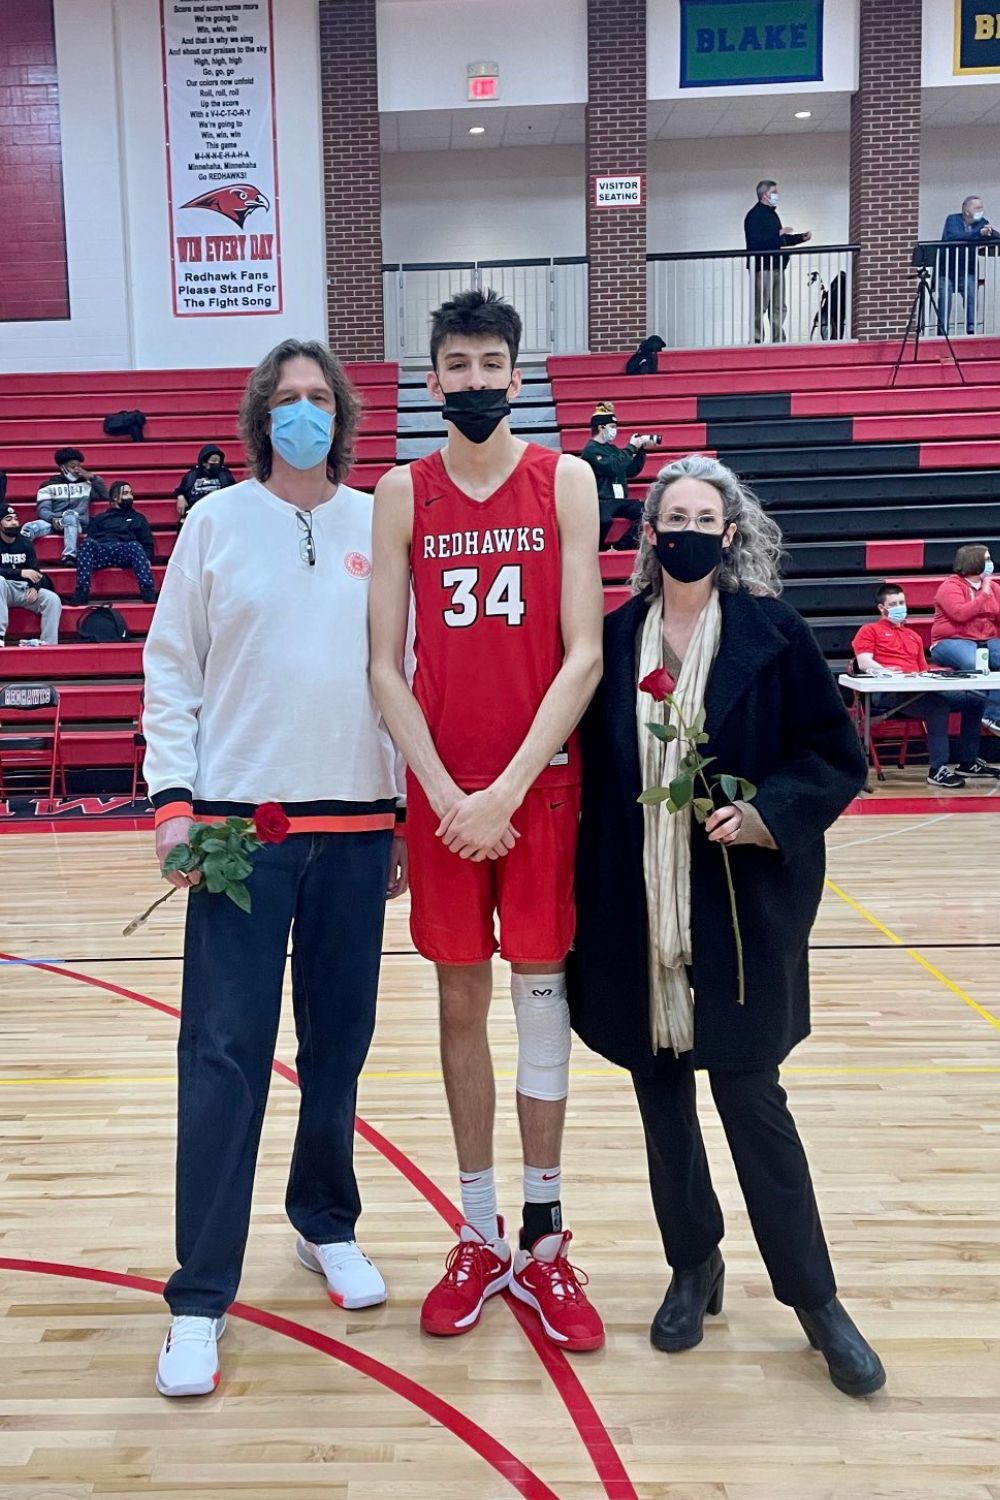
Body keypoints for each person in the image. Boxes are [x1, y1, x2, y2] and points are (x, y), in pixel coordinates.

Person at [568, 454, 887, 1398]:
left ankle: (815, 1299)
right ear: (651, 531)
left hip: (741, 912)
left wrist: (764, 815)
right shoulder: (612, 639)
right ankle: (693, 1263)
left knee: (753, 1102)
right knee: (662, 1099)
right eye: (674, 514)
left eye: (706, 516)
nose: (689, 531)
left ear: (732, 534)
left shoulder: (774, 634)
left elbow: (835, 757)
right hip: (636, 910)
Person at [143, 338, 408, 1399]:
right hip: (237, 836)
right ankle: (200, 1293)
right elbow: (172, 669)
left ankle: (323, 1223)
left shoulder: (379, 522)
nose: (303, 413)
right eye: (286, 399)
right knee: (222, 1058)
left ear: (340, 415)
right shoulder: (214, 524)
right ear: (262, 416)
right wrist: (171, 805)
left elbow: (409, 671)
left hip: (356, 832)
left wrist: (400, 809)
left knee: (337, 1047)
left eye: (318, 398)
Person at [369, 289, 606, 1352]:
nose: (473, 380)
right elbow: (382, 664)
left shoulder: (565, 479)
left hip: (537, 791)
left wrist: (506, 790)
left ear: (517, 373)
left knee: (540, 1002)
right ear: (432, 381)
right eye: (454, 364)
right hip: (443, 794)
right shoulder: (400, 490)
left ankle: (545, 1241)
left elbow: (586, 655)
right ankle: (477, 1231)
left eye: (490, 363)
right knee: (461, 1008)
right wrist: (448, 791)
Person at [853, 583, 999, 788]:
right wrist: (884, 671)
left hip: (919, 690)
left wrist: (933, 675)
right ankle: (937, 769)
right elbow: (864, 661)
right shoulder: (869, 631)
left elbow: (922, 670)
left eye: (902, 602)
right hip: (889, 694)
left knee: (974, 700)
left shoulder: (912, 636)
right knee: (937, 706)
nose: (900, 607)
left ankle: (967, 762)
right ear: (882, 608)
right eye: (893, 603)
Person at [928, 544, 1000, 734]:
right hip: (951, 641)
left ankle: (992, 715)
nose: (991, 563)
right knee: (974, 663)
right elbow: (960, 614)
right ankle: (986, 713)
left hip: (986, 639)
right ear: (974, 562)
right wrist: (983, 595)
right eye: (987, 559)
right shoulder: (950, 587)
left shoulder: (994, 587)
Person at [579, 404, 658, 551]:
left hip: (620, 500)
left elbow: (630, 471)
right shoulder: (590, 450)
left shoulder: (612, 449)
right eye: (612, 426)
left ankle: (621, 546)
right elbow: (613, 466)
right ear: (601, 427)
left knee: (648, 513)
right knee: (604, 521)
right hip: (601, 499)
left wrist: (641, 451)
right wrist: (631, 447)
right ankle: (596, 549)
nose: (614, 430)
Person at [743, 180, 812, 344]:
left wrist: (800, 238)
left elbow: (779, 240)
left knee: (779, 306)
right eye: (775, 192)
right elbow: (756, 242)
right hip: (762, 267)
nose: (777, 196)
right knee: (761, 306)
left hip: (777, 266)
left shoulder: (772, 214)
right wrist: (778, 233)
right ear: (766, 195)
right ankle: (756, 339)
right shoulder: (754, 216)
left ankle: (778, 339)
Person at [71, 481, 157, 607]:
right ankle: (82, 591)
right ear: (115, 497)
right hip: (101, 551)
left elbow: (147, 543)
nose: (131, 497)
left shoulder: (138, 518)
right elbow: (90, 538)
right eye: (126, 493)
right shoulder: (100, 518)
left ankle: (148, 591)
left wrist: (147, 558)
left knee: (135, 545)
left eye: (131, 493)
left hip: (125, 552)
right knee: (87, 544)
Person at [22, 447, 108, 564]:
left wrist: (93, 478)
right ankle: (22, 558)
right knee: (29, 527)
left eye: (79, 466)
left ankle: (70, 556)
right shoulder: (48, 486)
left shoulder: (86, 485)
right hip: (54, 522)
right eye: (73, 467)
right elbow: (43, 510)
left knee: (70, 515)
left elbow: (105, 495)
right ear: (62, 468)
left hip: (77, 522)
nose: (77, 470)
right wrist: (53, 519)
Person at [937, 196, 1000, 336]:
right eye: (977, 208)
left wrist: (990, 232)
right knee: (945, 298)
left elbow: (996, 237)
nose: (981, 211)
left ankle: (971, 329)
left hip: (967, 270)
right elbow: (953, 236)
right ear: (966, 210)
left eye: (981, 207)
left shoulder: (982, 222)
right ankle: (942, 331)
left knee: (971, 296)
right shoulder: (952, 219)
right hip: (946, 270)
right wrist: (978, 234)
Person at [0, 505, 62, 646]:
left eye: (16, 519)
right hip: (4, 589)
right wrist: (20, 572)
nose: (14, 523)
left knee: (52, 599)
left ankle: (49, 644)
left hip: (24, 589)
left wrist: (35, 587)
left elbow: (35, 571)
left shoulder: (25, 542)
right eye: (8, 520)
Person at [174, 443, 237, 525]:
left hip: (219, 517)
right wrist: (180, 496)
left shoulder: (225, 475)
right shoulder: (192, 475)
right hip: (197, 517)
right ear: (204, 462)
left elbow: (234, 493)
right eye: (214, 460)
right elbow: (180, 491)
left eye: (219, 461)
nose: (217, 463)